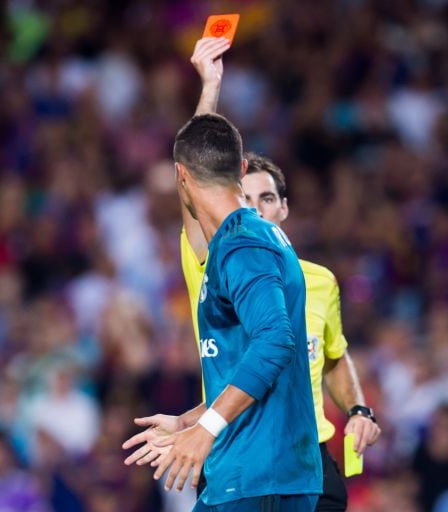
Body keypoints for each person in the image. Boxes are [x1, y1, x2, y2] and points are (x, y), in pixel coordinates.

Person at [183, 37, 381, 511]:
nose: (251, 208)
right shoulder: (215, 255)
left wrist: (357, 409)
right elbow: (195, 174)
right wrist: (209, 90)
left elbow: (330, 356)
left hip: (299, 460)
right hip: (242, 448)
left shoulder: (315, 278)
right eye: (243, 197)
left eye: (266, 198)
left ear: (285, 208)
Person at [124, 110, 322, 508]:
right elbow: (248, 367)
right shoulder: (250, 239)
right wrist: (188, 421)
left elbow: (274, 342)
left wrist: (206, 430)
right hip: (257, 474)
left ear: (181, 175)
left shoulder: (243, 246)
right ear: (242, 168)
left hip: (257, 476)